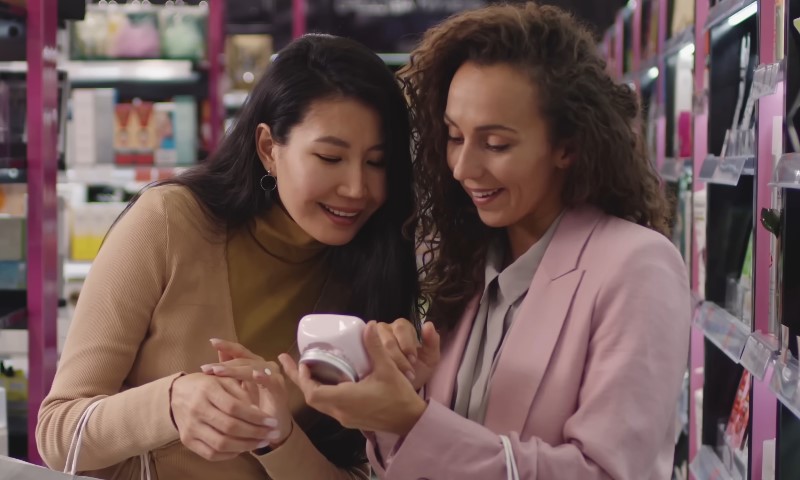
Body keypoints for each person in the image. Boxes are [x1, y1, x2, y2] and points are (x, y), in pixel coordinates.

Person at [262, 4, 691, 480]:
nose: (464, 167)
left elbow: (607, 473)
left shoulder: (636, 266)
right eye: (453, 136)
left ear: (567, 146)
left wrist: (412, 420)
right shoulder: (465, 262)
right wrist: (393, 404)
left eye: (496, 144)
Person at [36, 33, 418, 480]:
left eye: (376, 163)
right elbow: (59, 435)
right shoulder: (169, 223)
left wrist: (278, 437)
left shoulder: (377, 270)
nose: (357, 189)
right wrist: (172, 404)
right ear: (268, 149)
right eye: (330, 157)